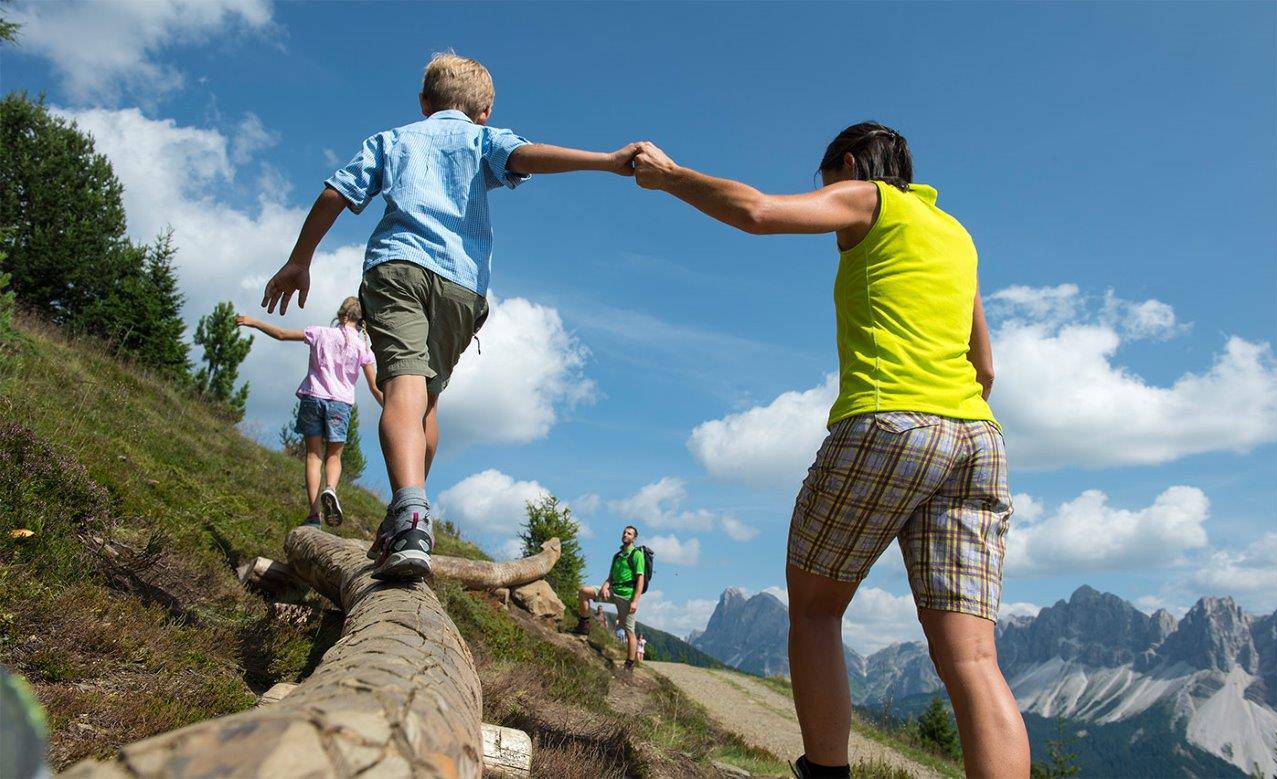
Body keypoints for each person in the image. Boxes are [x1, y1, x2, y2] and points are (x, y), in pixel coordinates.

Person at [632, 125, 1029, 779]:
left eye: (826, 183)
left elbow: (757, 211)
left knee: (817, 608)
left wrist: (670, 176)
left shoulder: (871, 198)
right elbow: (984, 366)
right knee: (974, 658)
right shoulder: (957, 235)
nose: (826, 198)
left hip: (892, 421)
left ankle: (824, 772)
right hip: (978, 439)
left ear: (848, 164)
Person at [257, 52, 639, 579]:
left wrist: (301, 259)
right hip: (462, 286)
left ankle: (409, 514)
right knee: (427, 402)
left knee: (402, 389)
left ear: (423, 103)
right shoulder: (484, 139)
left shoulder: (392, 140)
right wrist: (608, 160)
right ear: (483, 112)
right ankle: (410, 518)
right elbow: (528, 155)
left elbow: (335, 193)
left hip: (397, 268)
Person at [237, 297, 383, 527]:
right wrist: (394, 411)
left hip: (313, 398)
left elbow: (282, 334)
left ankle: (314, 515)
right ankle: (331, 489)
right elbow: (374, 387)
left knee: (313, 456)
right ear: (361, 320)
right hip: (340, 404)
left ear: (340, 314)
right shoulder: (363, 347)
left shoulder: (320, 333)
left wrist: (253, 322)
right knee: (334, 456)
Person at [574, 525, 646, 671]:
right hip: (612, 591)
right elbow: (610, 577)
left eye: (629, 533)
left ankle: (629, 664)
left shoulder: (637, 555)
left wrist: (635, 601)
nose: (625, 534)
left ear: (634, 538)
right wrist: (605, 587)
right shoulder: (617, 556)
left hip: (627, 596)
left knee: (629, 631)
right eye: (624, 532)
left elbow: (641, 579)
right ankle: (584, 625)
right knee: (583, 591)